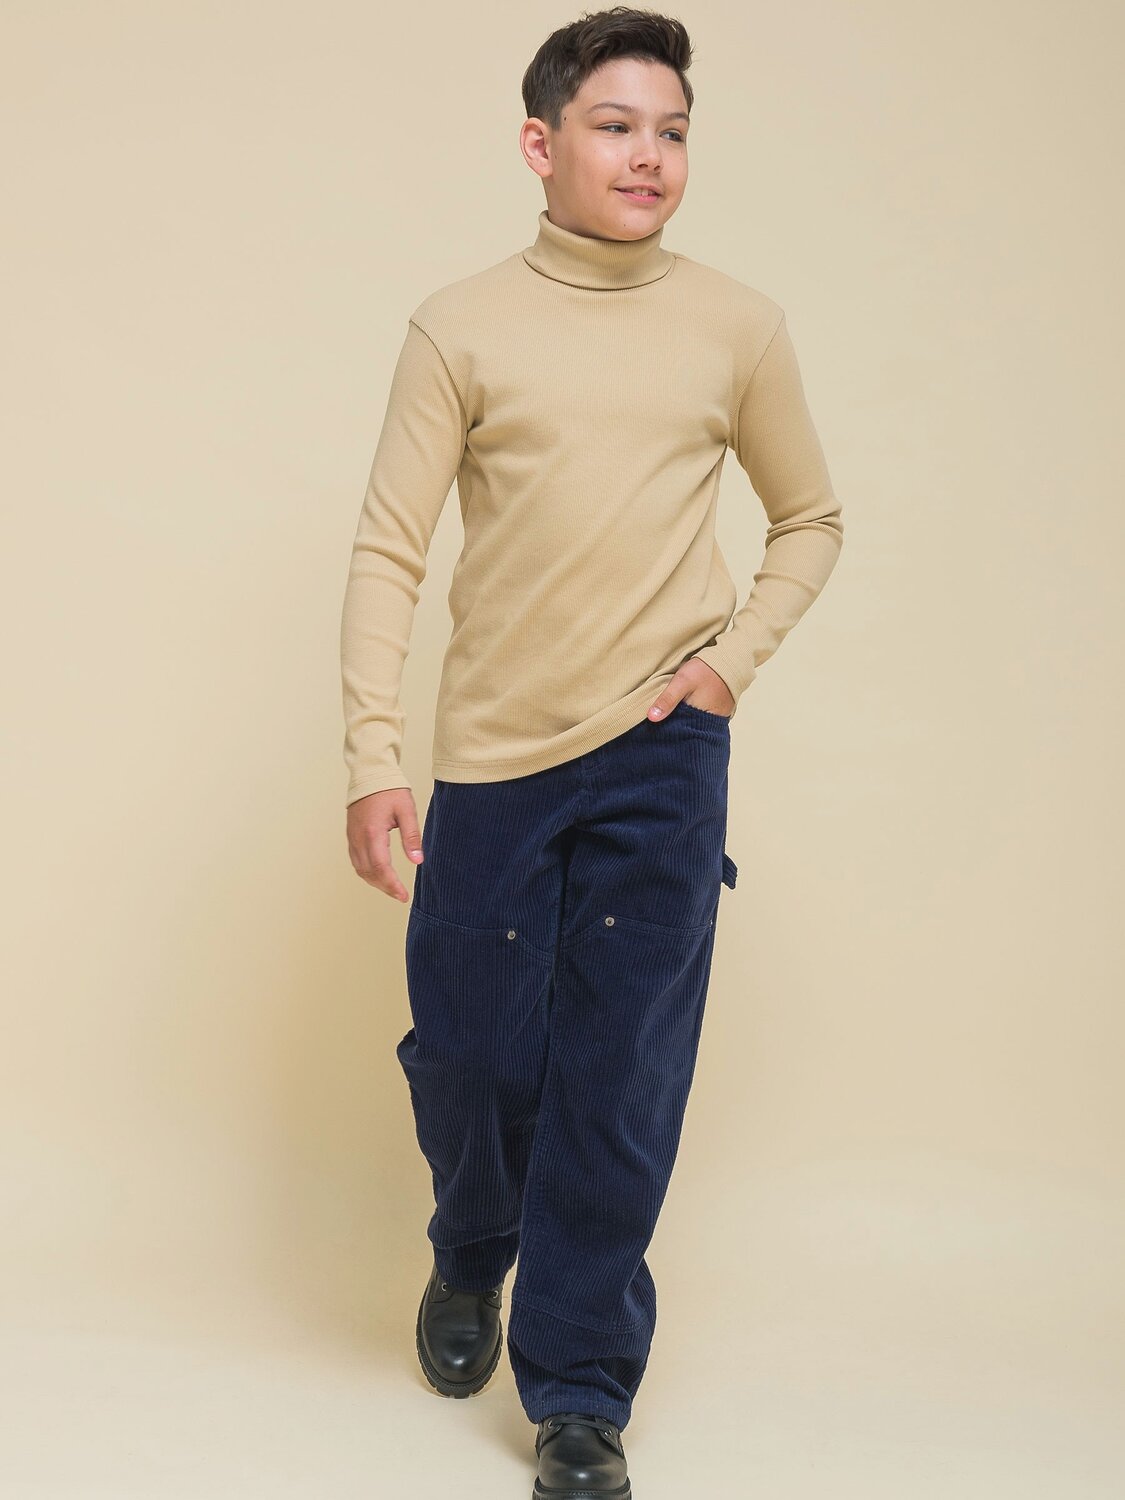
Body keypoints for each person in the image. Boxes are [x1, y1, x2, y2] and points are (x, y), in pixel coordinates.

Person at [339, 9, 843, 1495]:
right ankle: (468, 1249)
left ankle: (578, 1393)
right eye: (616, 125)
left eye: (671, 130)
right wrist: (374, 758)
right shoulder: (460, 326)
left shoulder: (738, 326)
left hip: (660, 758)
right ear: (540, 144)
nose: (648, 155)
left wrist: (728, 665)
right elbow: (387, 550)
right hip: (494, 758)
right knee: (473, 1057)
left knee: (619, 1079)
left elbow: (810, 520)